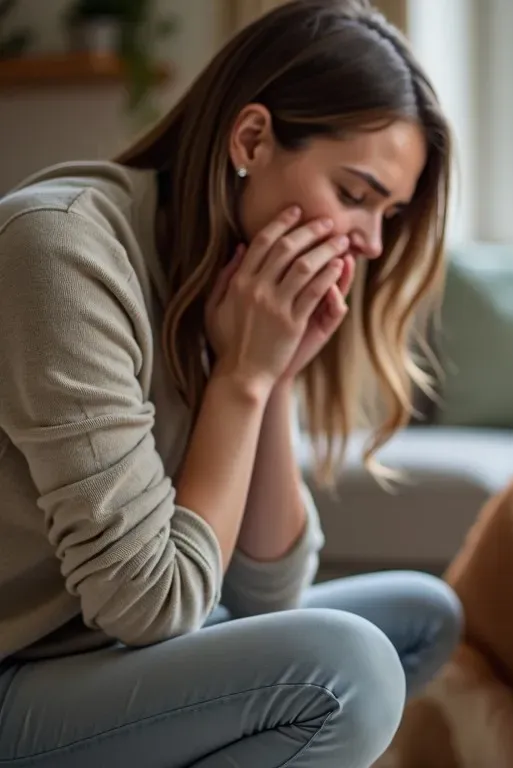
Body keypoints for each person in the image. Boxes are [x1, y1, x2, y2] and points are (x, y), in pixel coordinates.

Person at [0, 1, 462, 765]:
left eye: (390, 214)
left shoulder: (227, 286)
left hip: (100, 651)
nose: (372, 243)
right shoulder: (60, 255)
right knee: (350, 670)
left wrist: (271, 376)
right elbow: (156, 607)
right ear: (251, 139)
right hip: (24, 666)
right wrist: (241, 381)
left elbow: (262, 596)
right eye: (354, 195)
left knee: (422, 616)